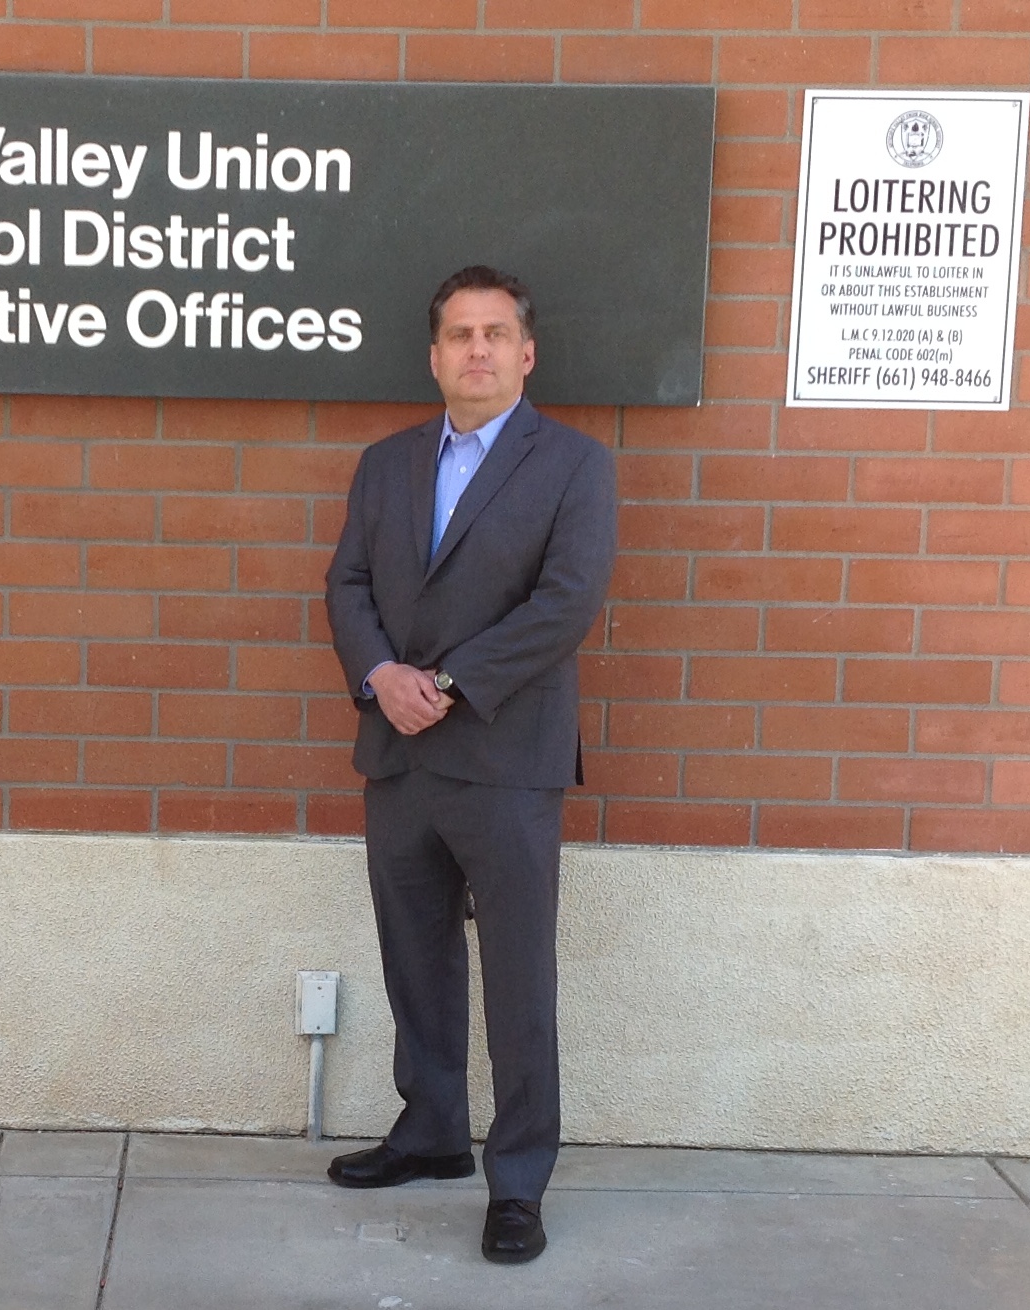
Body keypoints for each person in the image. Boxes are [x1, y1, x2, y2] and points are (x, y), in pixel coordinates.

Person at [321, 265, 617, 1264]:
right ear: (434, 354)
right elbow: (347, 579)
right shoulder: (386, 462)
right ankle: (431, 1130)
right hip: (397, 753)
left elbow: (565, 602)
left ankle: (520, 1177)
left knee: (518, 978)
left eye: (495, 333)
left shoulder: (573, 464)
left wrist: (440, 683)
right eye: (458, 334)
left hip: (505, 755)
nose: (477, 349)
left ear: (525, 354)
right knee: (416, 958)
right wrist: (377, 672)